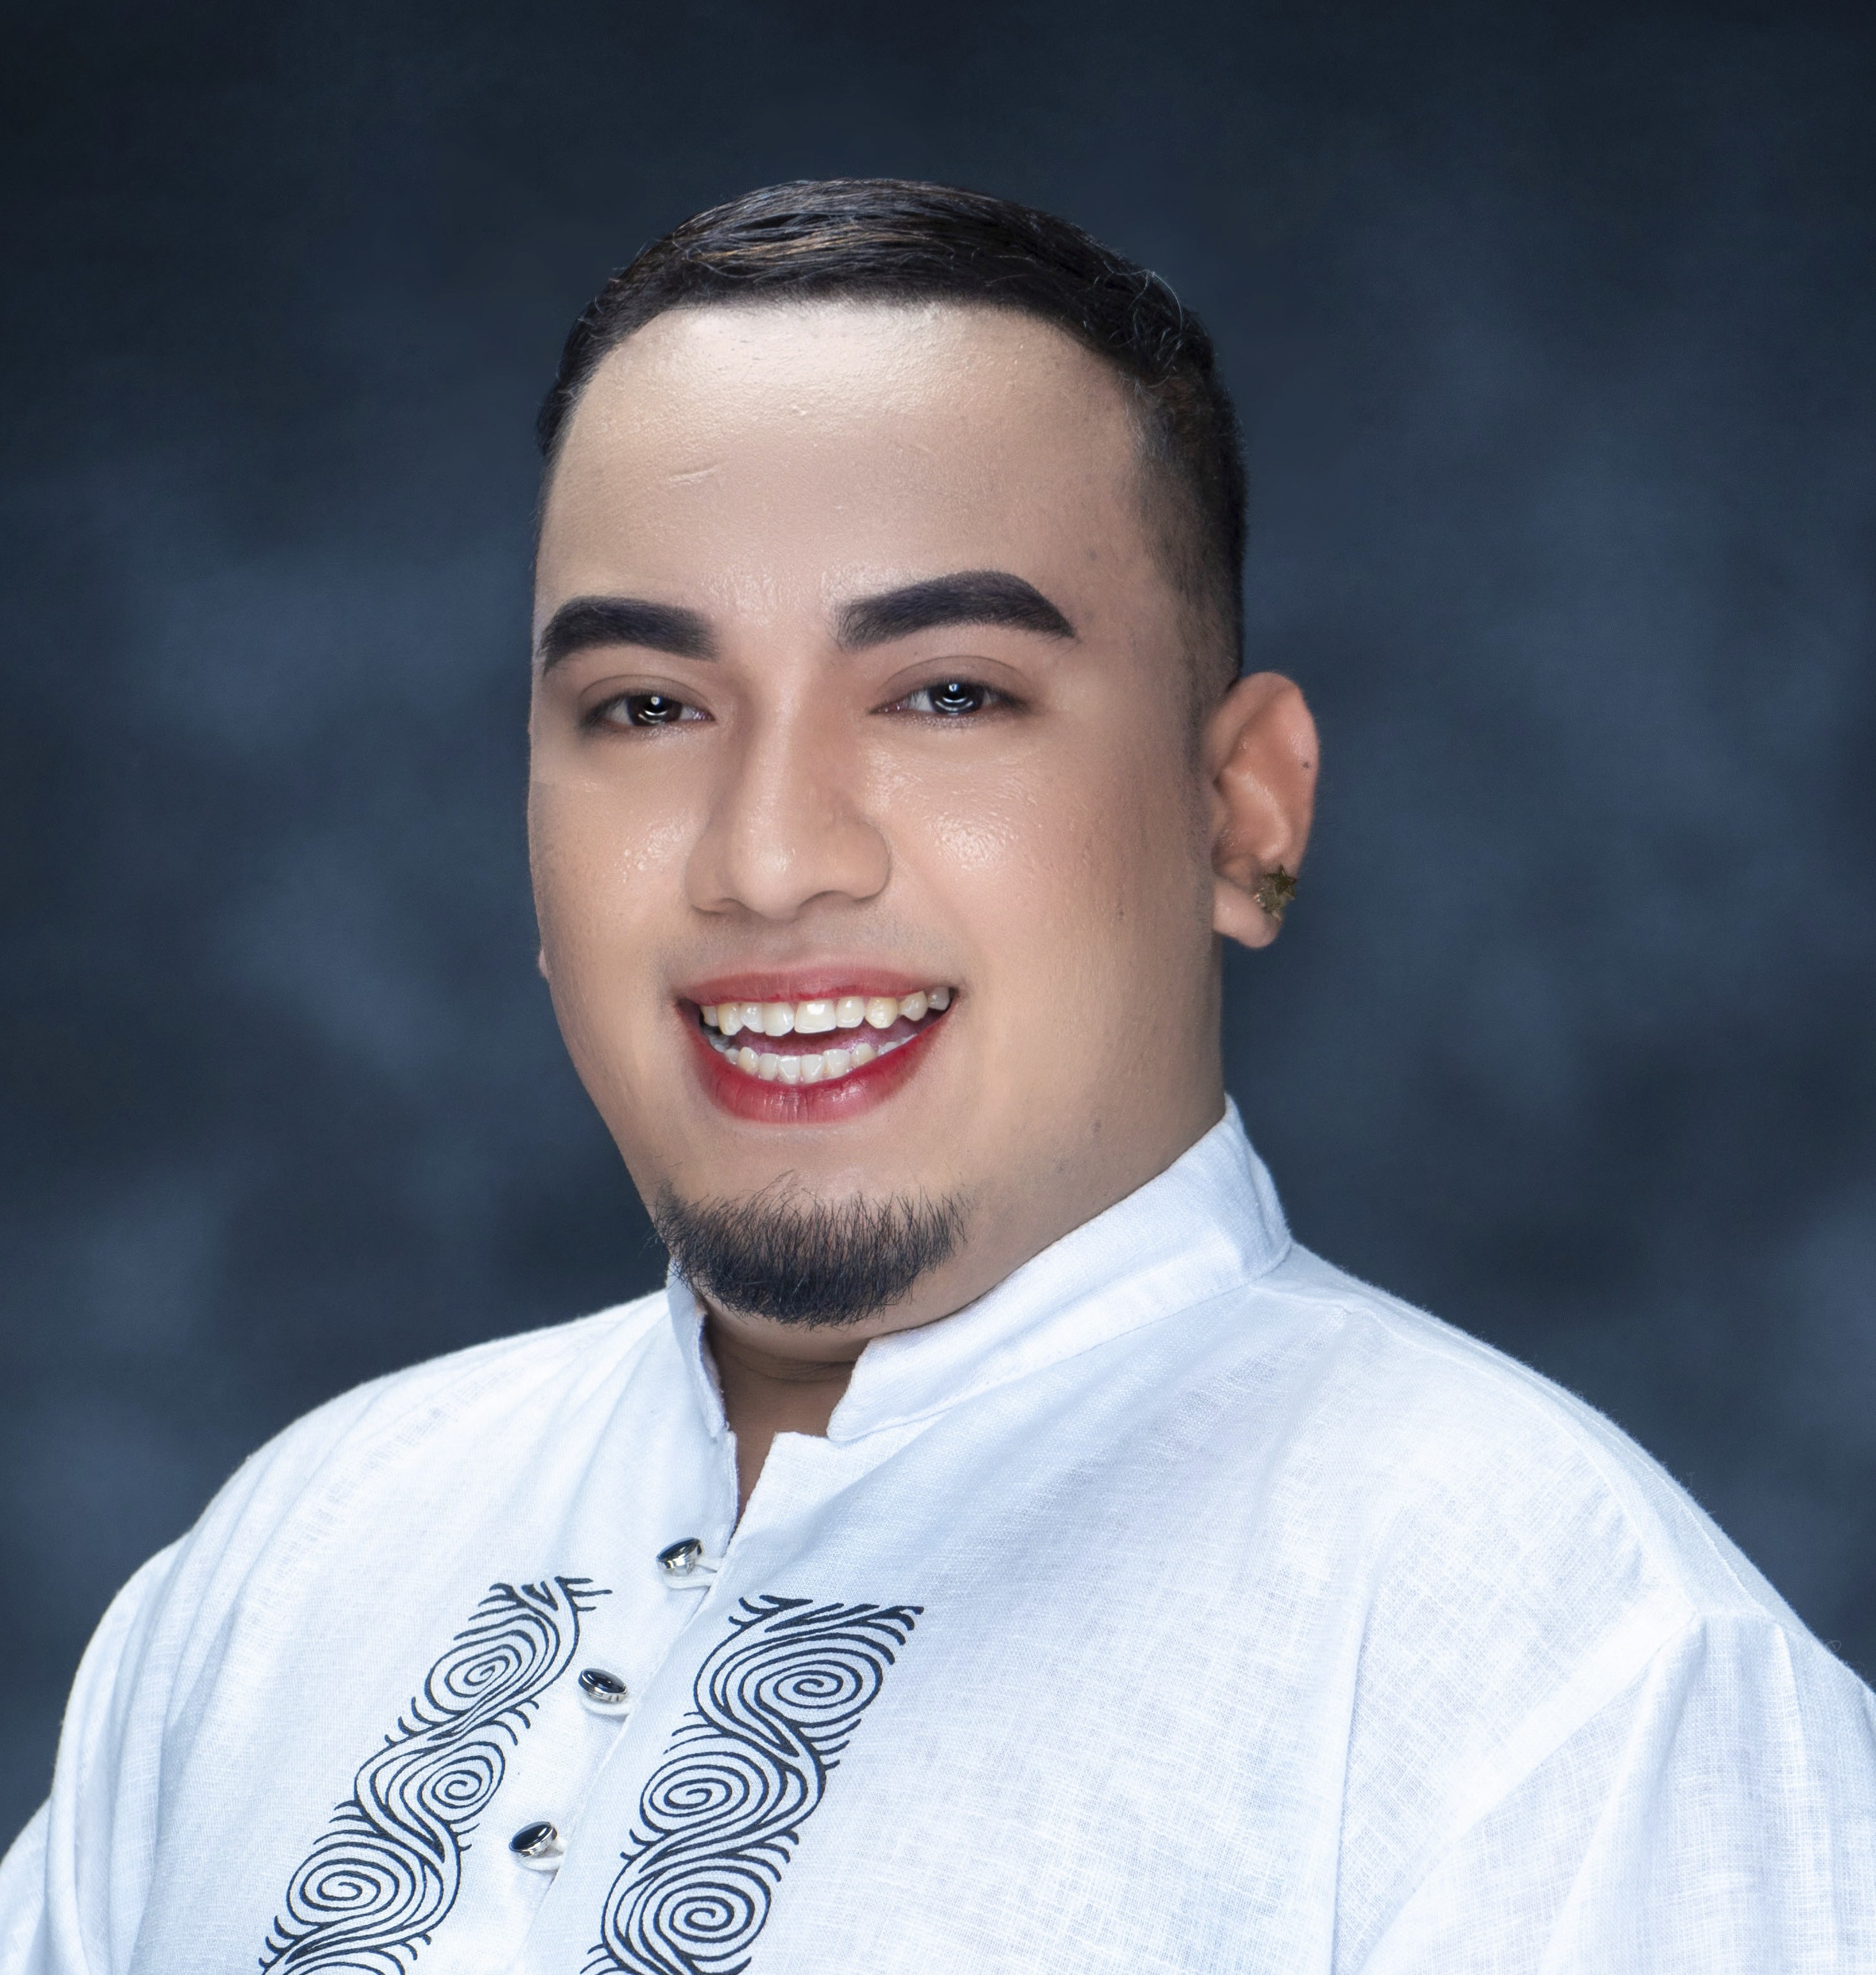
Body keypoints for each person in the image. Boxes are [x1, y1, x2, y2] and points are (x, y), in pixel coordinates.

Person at [2, 179, 1871, 1975]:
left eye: (947, 693)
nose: (767, 858)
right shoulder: (299, 1558)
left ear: (1241, 813)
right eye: (647, 706)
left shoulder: (1568, 1676)